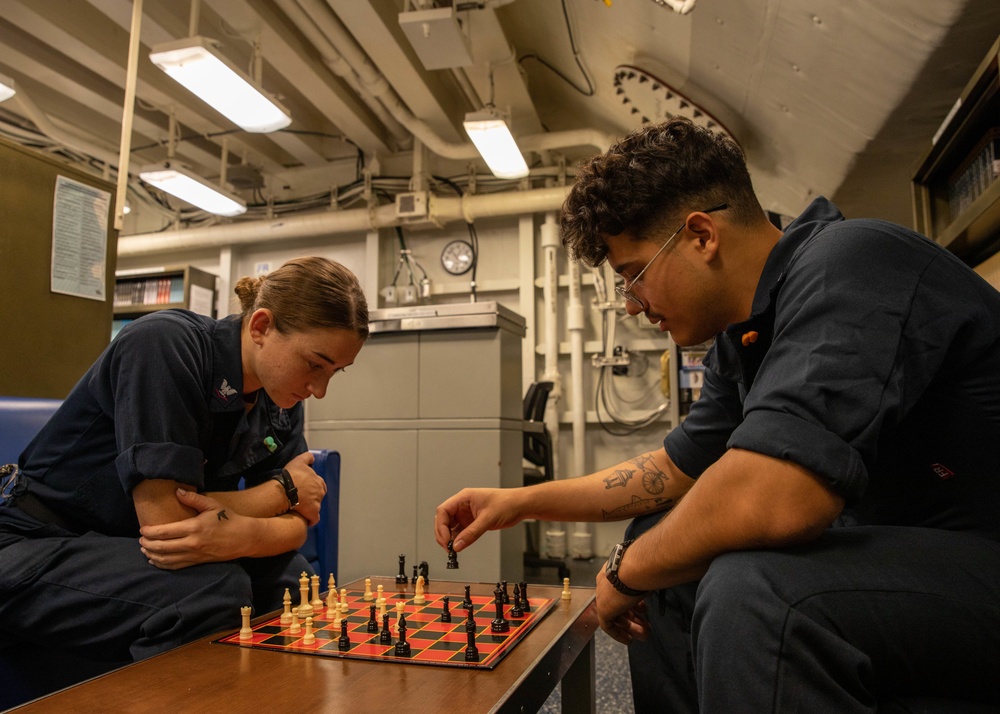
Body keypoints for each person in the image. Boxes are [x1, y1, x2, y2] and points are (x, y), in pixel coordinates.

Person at [435, 118, 1000, 712]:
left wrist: (625, 573)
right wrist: (519, 502)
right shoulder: (746, 337)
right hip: (903, 551)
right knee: (664, 556)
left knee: (756, 593)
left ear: (701, 235)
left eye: (634, 275)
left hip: (979, 556)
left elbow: (776, 497)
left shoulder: (851, 263)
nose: (631, 305)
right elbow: (670, 471)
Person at [0, 256, 367, 666]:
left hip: (120, 543)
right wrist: (284, 490)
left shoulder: (280, 393)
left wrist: (243, 533)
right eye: (314, 364)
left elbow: (300, 525)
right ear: (261, 326)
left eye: (336, 371)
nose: (319, 389)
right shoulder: (165, 344)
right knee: (209, 590)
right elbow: (169, 528)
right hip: (36, 543)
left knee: (290, 576)